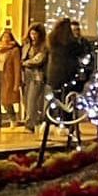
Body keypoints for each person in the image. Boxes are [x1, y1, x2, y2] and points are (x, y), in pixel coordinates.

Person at [46, 18, 83, 146]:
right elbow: (80, 51)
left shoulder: (52, 41)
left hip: (54, 75)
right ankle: (67, 126)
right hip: (67, 75)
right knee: (68, 102)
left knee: (56, 100)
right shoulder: (70, 43)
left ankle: (52, 124)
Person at [20, 23, 47, 130]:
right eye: (31, 33)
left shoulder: (43, 46)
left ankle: (31, 123)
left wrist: (25, 63)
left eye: (35, 34)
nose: (33, 36)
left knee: (32, 99)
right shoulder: (27, 45)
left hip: (37, 75)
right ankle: (32, 121)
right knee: (26, 99)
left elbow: (39, 59)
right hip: (26, 75)